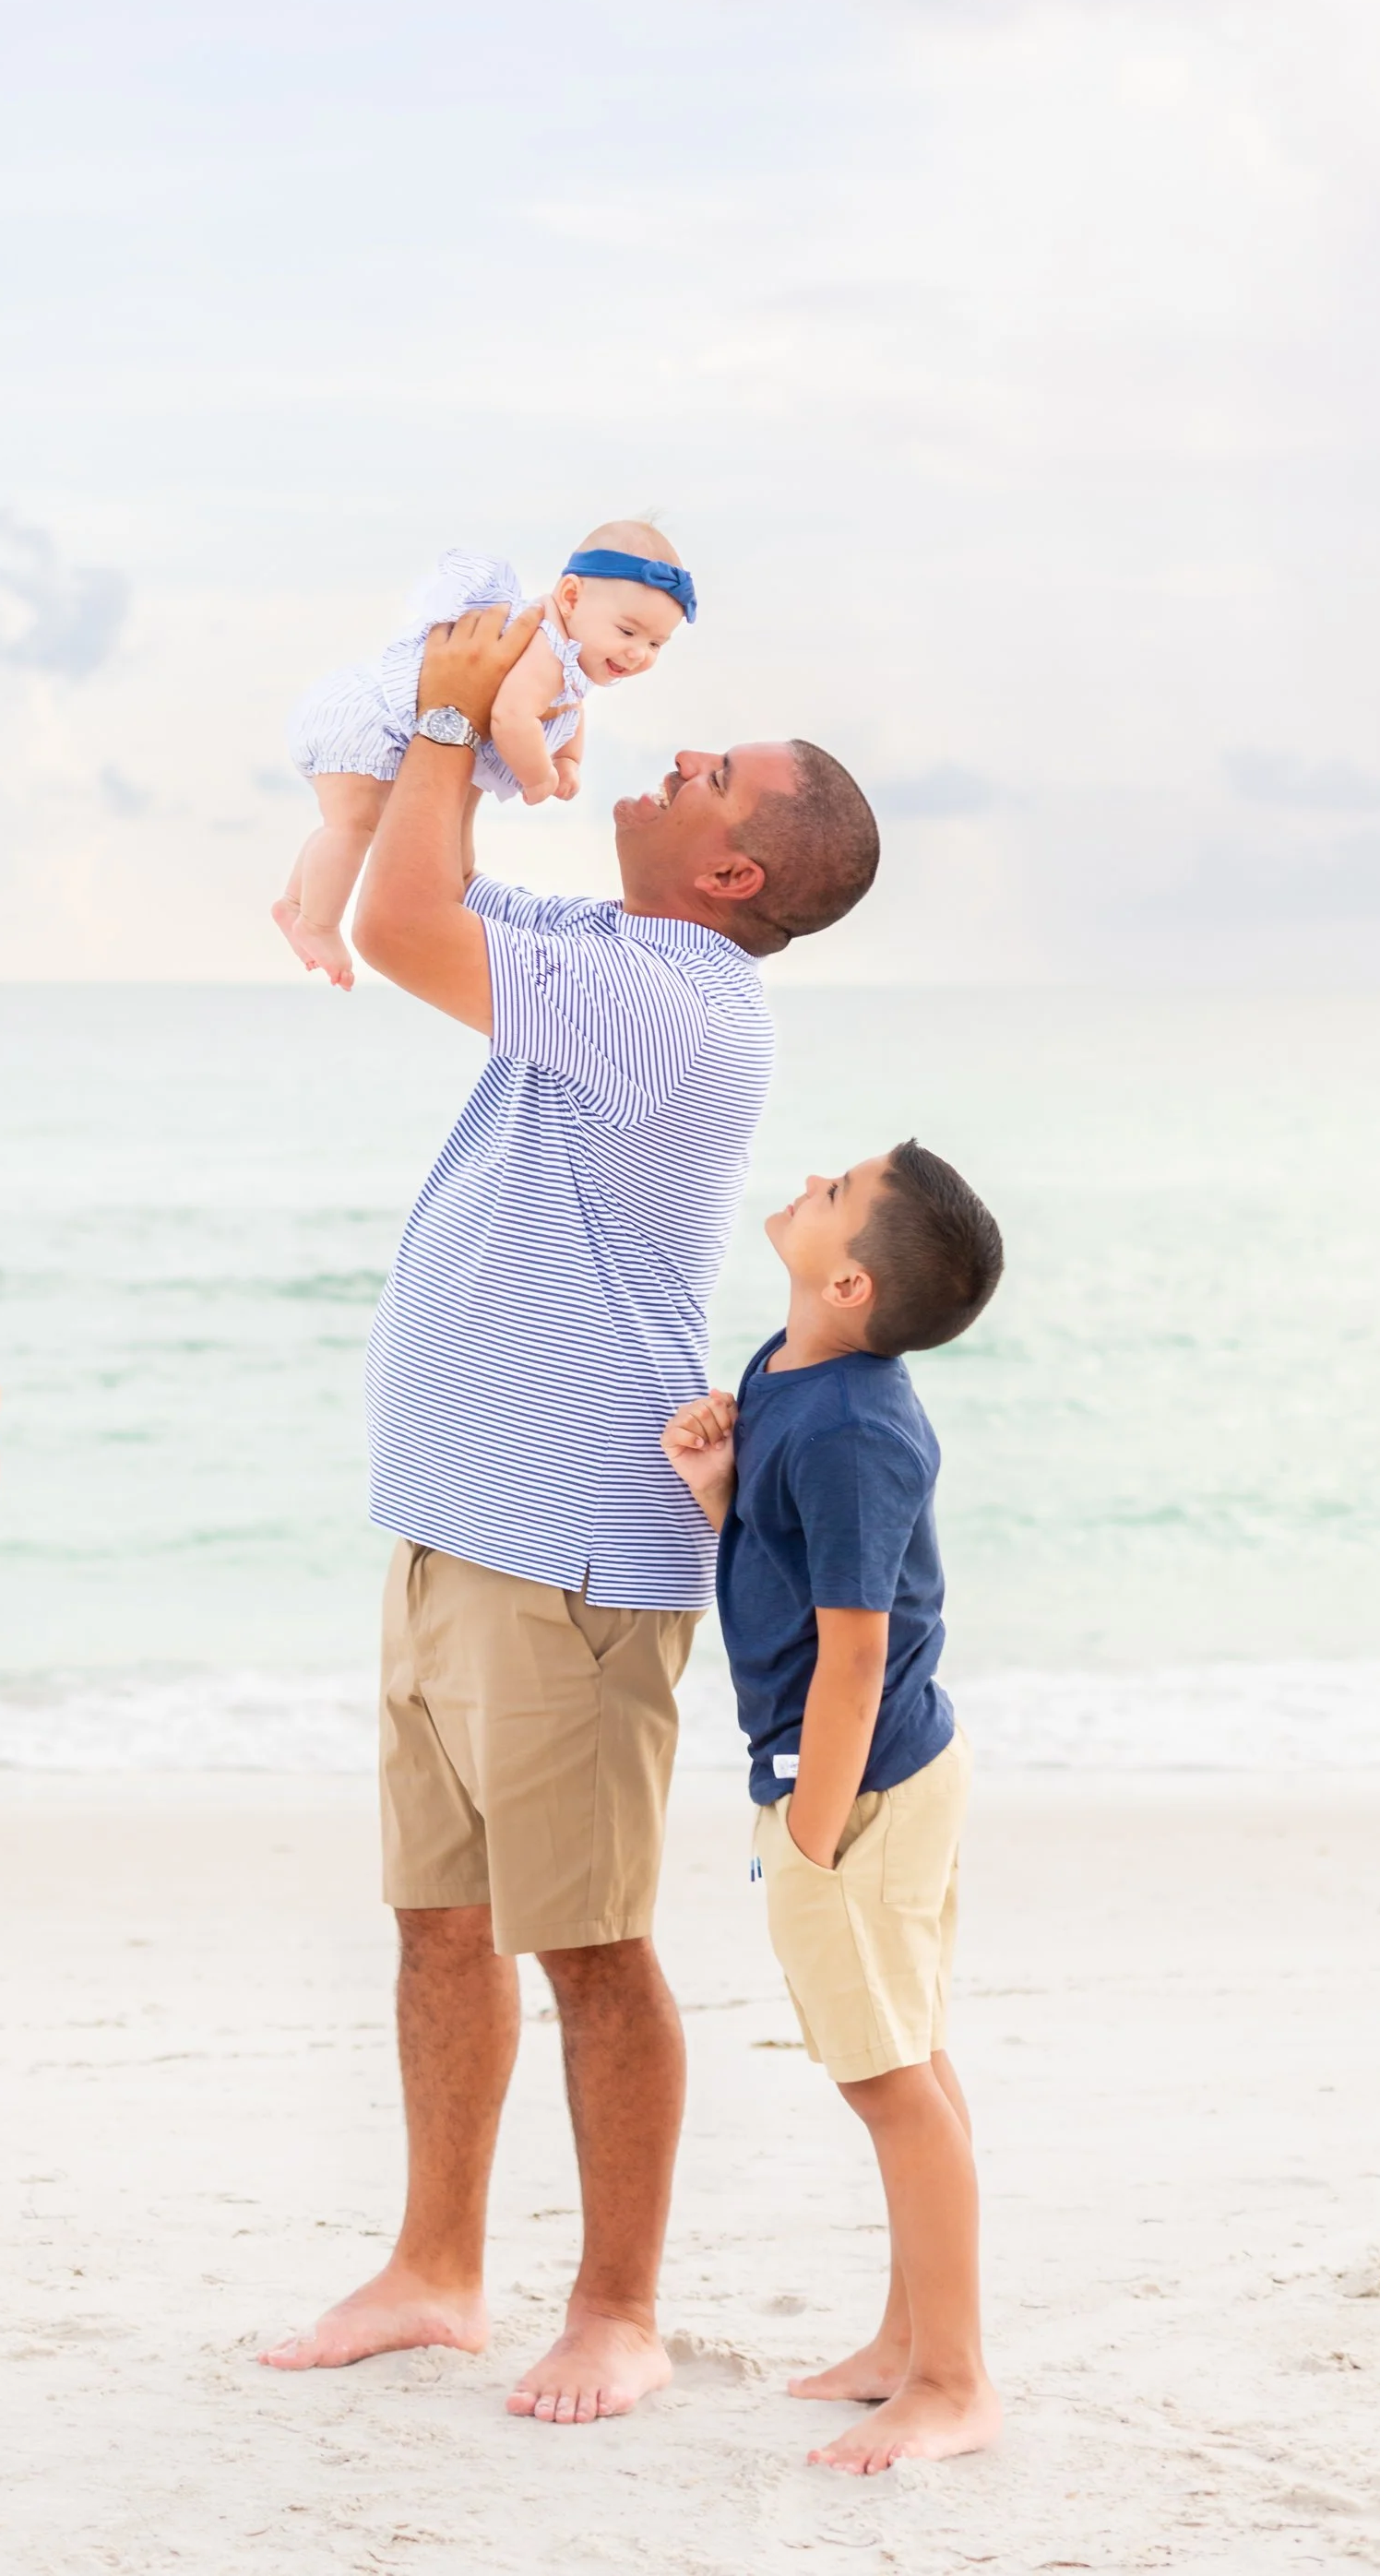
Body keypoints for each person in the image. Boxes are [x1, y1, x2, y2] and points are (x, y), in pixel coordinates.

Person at [263, 599, 881, 2426]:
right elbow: (389, 883)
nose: (669, 753)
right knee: (435, 1925)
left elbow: (396, 923)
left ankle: (615, 2308)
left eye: (706, 772)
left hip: (570, 1560)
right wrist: (451, 710)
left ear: (736, 861)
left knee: (588, 1950)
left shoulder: (679, 1010)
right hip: (451, 1528)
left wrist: (459, 716)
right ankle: (435, 2270)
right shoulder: (607, 940)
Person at [660, 1139, 1005, 2475]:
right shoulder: (782, 1369)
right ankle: (904, 2342)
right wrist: (720, 1493)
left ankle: (956, 2378)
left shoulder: (862, 1425)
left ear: (852, 1282)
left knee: (888, 2081)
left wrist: (811, 1819)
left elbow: (857, 1648)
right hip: (870, 1774)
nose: (810, 1176)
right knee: (909, 2056)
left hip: (857, 1785)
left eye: (836, 1189)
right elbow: (790, 1560)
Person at [274, 522, 696, 987]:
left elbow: (570, 707)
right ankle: (317, 924)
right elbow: (512, 718)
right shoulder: (543, 647)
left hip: (373, 721)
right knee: (354, 825)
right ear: (571, 597)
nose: (638, 653)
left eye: (655, 644)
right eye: (628, 631)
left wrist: (567, 759)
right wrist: (538, 776)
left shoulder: (570, 659)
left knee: (346, 823)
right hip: (368, 719)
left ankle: (295, 904)